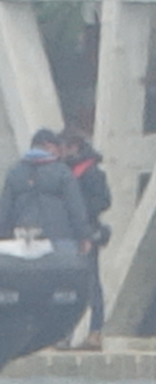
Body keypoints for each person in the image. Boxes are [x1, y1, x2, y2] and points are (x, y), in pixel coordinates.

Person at [60, 128, 110, 346]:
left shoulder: (90, 172)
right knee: (67, 286)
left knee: (91, 284)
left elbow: (104, 200)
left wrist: (81, 211)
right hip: (67, 234)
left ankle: (95, 332)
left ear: (76, 147)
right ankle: (65, 334)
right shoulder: (64, 172)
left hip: (86, 233)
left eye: (67, 146)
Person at [0, 129, 88, 246]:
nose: (61, 153)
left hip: (21, 240)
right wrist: (84, 236)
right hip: (57, 240)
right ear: (49, 146)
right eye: (58, 148)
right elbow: (75, 206)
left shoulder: (14, 172)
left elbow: (4, 209)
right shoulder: (62, 172)